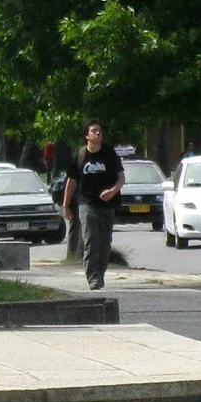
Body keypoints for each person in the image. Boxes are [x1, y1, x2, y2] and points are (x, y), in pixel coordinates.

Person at [62, 121, 124, 290]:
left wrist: (113, 190)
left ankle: (100, 274)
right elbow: (71, 182)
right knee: (90, 239)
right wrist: (66, 205)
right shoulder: (80, 156)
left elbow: (121, 178)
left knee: (104, 244)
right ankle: (92, 277)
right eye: (94, 131)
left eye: (100, 131)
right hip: (86, 203)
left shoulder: (109, 153)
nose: (98, 134)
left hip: (108, 204)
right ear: (86, 135)